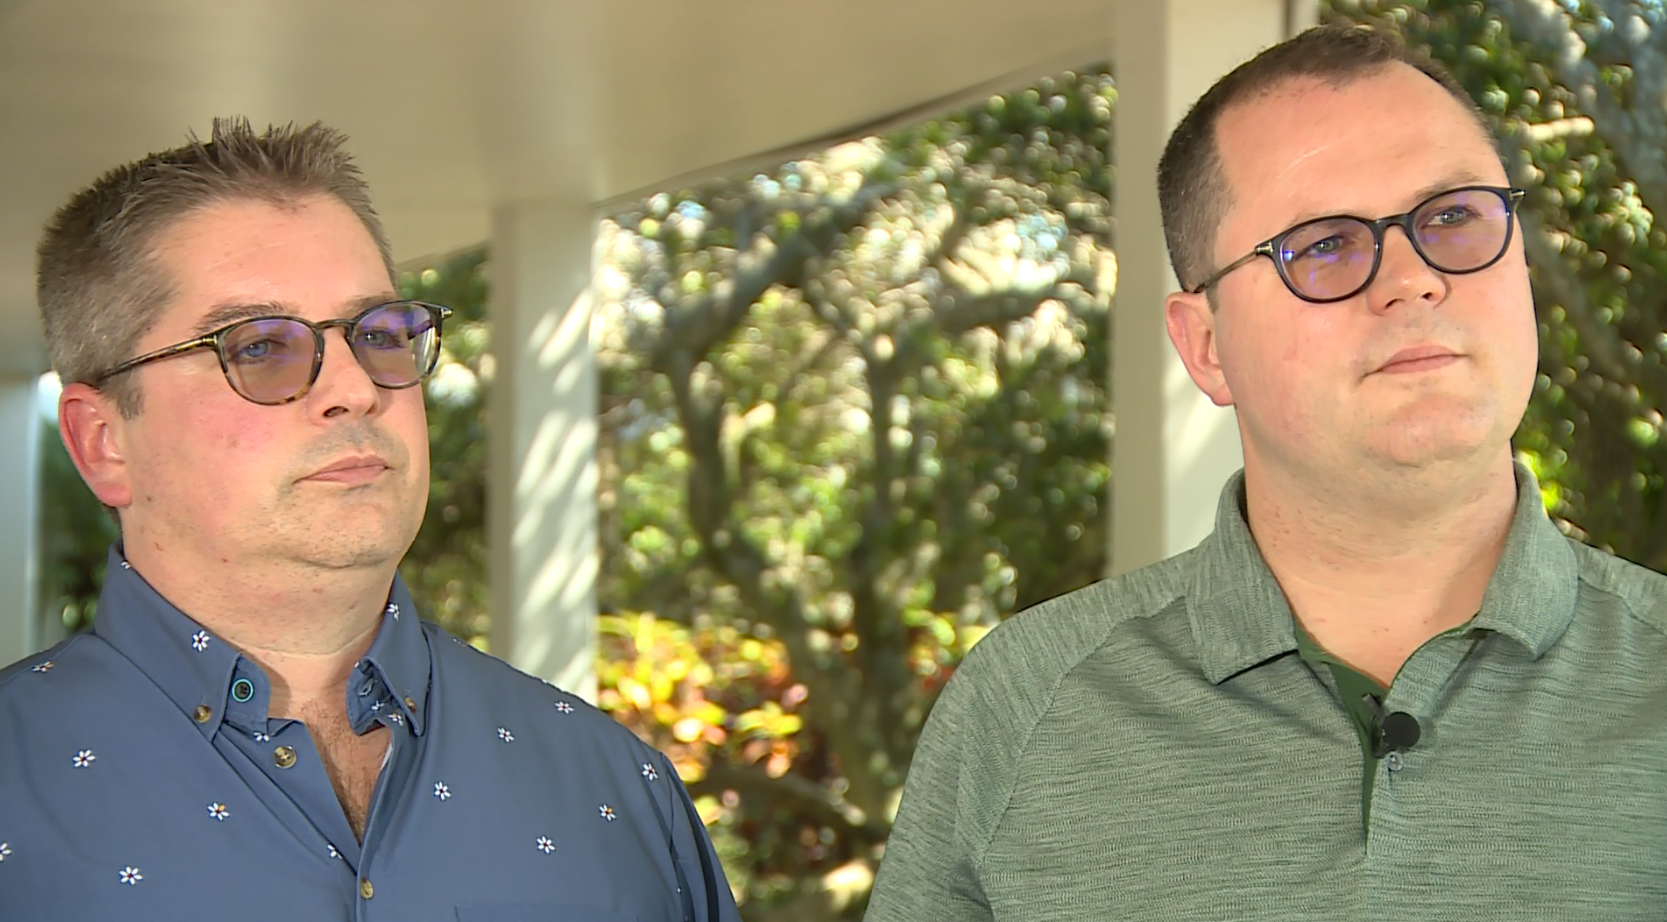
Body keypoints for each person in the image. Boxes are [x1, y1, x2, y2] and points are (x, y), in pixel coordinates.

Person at [865, 23, 1667, 921]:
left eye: (1451, 217)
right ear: (1205, 347)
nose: (1411, 279)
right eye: (1322, 245)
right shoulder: (1022, 708)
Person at [0, 118, 740, 922]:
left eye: (379, 335)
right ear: (103, 442)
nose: (356, 388)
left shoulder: (620, 791)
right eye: (259, 347)